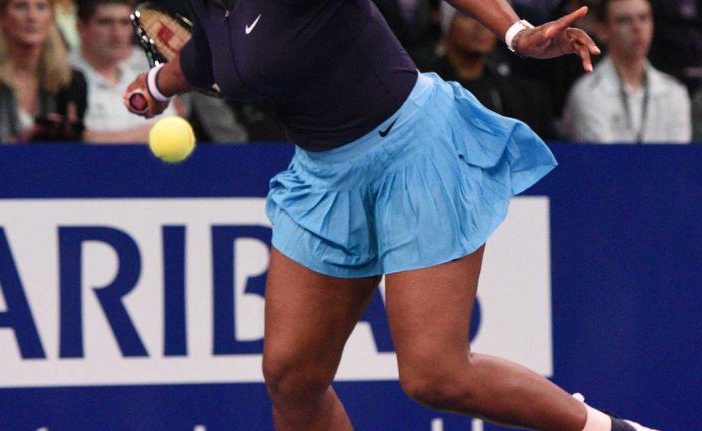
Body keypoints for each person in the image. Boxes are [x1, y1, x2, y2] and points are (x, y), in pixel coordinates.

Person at [124, 1, 658, 430]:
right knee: (292, 379)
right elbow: (206, 59)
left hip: (414, 151)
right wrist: (154, 87)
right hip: (324, 180)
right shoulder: (208, 10)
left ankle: (605, 429)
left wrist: (516, 32)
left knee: (436, 376)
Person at [0, 0, 86, 143]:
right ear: (2, 17)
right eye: (21, 6)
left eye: (41, 7)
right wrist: (19, 143)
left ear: (51, 18)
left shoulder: (71, 81)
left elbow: (75, 154)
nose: (32, 16)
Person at [561, 0, 691, 143]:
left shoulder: (675, 92)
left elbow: (678, 158)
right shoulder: (586, 93)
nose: (637, 27)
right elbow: (598, 159)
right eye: (624, 20)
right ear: (603, 30)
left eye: (643, 18)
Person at [429, 3, 557, 139]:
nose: (480, 26)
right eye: (467, 16)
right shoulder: (426, 90)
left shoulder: (528, 97)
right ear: (446, 22)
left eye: (487, 19)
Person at [69, 0, 181, 143]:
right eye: (105, 23)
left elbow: (172, 131)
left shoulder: (145, 73)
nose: (117, 34)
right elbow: (76, 141)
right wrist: (149, 132)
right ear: (81, 27)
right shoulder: (62, 77)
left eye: (124, 23)